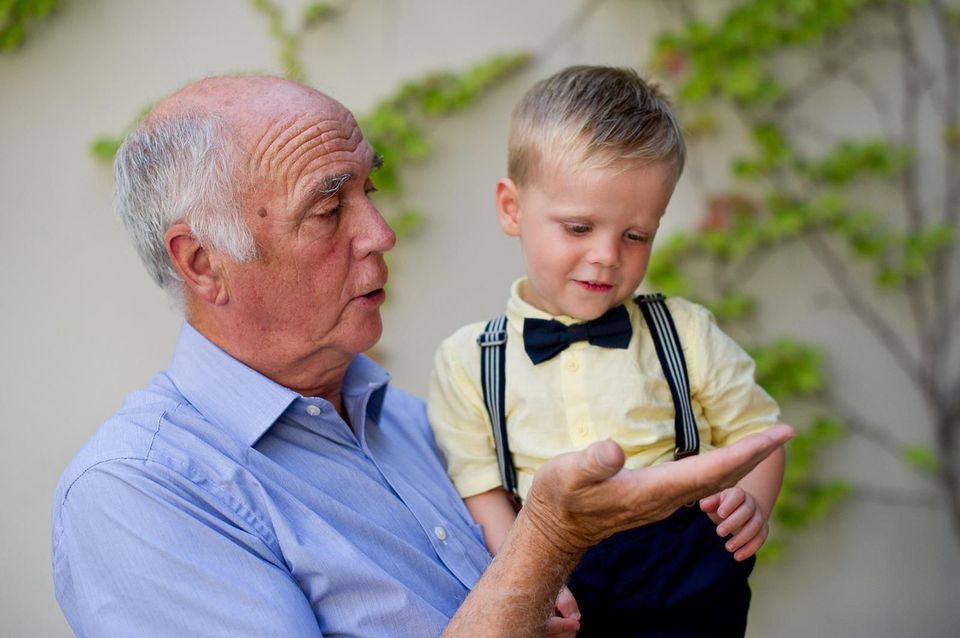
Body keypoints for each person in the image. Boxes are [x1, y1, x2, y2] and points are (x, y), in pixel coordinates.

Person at [52, 74, 792, 638]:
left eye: (368, 190)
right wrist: (547, 542)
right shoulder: (137, 492)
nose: (380, 232)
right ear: (203, 263)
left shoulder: (415, 422)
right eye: (328, 207)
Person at [428, 65, 787, 637]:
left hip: (684, 574)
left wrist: (752, 501)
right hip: (563, 579)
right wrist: (520, 575)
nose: (606, 256)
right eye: (578, 227)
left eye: (635, 235)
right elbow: (483, 490)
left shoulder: (684, 331)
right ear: (512, 208)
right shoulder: (469, 359)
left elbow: (760, 435)